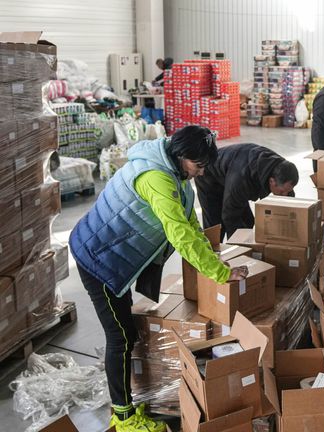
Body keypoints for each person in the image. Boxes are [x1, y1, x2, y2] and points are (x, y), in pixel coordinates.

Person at [69, 126, 248, 432]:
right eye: (198, 166)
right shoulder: (156, 178)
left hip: (117, 260)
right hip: (98, 259)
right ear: (181, 156)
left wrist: (213, 257)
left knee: (126, 333)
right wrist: (219, 273)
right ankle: (123, 417)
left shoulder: (177, 177)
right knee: (121, 337)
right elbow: (178, 233)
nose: (201, 173)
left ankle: (127, 399)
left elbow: (190, 223)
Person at [194, 143, 299, 240]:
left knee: (248, 223)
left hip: (232, 172)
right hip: (208, 177)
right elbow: (230, 215)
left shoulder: (283, 170)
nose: (284, 195)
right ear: (272, 181)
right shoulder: (242, 179)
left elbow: (288, 197)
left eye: (288, 191)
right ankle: (213, 253)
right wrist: (238, 249)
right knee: (216, 227)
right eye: (282, 192)